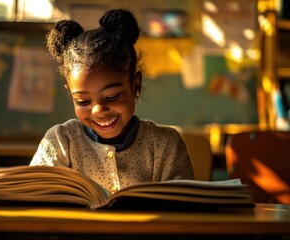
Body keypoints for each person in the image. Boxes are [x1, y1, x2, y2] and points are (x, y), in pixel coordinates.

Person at [30, 8, 194, 193]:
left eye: (112, 96)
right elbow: (37, 200)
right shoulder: (60, 142)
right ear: (71, 95)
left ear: (135, 85)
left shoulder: (165, 146)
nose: (98, 110)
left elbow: (182, 210)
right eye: (83, 101)